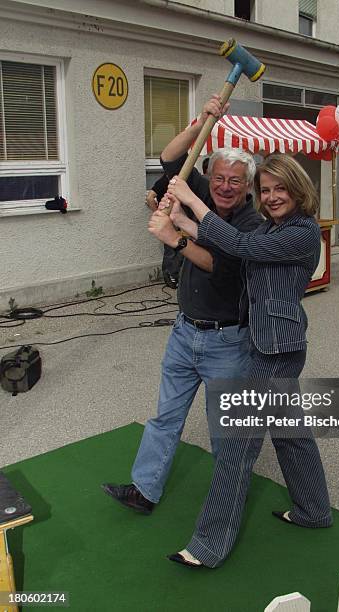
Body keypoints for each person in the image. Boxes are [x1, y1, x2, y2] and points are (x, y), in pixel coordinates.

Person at [150, 153, 333, 567]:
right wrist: (181, 224)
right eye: (265, 190)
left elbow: (240, 244)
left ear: (298, 188)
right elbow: (235, 251)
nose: (270, 197)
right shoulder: (276, 228)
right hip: (271, 343)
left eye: (279, 189)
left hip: (274, 349)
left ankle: (208, 547)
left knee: (235, 448)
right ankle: (314, 510)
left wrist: (191, 202)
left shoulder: (302, 233)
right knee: (291, 435)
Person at [102, 95, 262, 514]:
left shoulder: (250, 223)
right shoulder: (205, 191)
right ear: (212, 177)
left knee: (224, 431)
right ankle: (144, 491)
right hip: (184, 330)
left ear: (248, 186)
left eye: (236, 181)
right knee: (164, 418)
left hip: (227, 342)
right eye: (221, 177)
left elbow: (219, 265)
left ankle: (229, 500)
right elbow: (169, 157)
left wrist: (175, 237)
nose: (226, 186)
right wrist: (202, 121)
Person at [146, 174, 183, 289]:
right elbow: (150, 197)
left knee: (179, 248)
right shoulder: (167, 179)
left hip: (181, 218)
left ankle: (175, 275)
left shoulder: (179, 179)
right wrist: (158, 213)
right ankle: (170, 276)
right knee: (171, 250)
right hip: (170, 219)